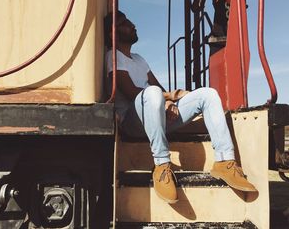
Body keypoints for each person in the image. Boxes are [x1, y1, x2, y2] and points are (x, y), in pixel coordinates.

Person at [104, 11, 257, 204]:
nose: (132, 24)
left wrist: (167, 102)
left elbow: (158, 88)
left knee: (208, 95)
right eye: (125, 23)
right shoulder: (112, 56)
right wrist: (171, 96)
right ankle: (161, 166)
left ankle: (225, 161)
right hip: (133, 122)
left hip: (156, 116)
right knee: (151, 93)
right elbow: (130, 91)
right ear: (113, 33)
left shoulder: (139, 59)